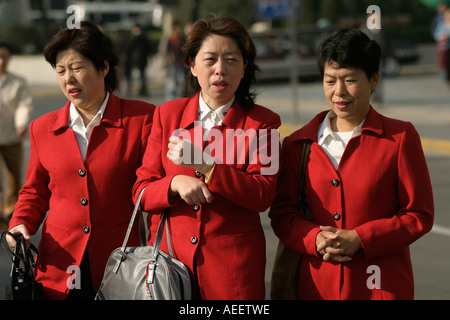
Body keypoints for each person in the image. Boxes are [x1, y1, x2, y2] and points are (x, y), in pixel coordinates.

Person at [269, 29, 434, 300]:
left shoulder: (400, 138)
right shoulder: (298, 144)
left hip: (380, 287)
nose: (339, 92)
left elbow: (419, 214)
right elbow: (283, 214)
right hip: (315, 287)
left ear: (374, 80)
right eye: (330, 80)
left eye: (350, 80)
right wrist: (314, 239)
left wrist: (362, 238)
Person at [133, 15, 281, 299]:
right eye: (210, 59)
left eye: (231, 60)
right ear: (192, 65)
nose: (220, 70)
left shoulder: (265, 123)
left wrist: (207, 166)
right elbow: (141, 192)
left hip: (232, 273)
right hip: (169, 267)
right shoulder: (166, 115)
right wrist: (174, 183)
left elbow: (263, 194)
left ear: (244, 67)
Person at [6, 21, 156, 300]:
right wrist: (20, 223)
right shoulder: (43, 127)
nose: (68, 79)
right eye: (61, 71)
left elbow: (154, 187)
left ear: (103, 67)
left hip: (122, 264)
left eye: (77, 68)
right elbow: (34, 191)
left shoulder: (142, 119)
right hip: (60, 265)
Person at [0, 42, 33, 231]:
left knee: (14, 179)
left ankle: (11, 214)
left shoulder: (18, 82)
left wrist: (21, 122)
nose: (1, 61)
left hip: (12, 137)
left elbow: (24, 104)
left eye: (4, 56)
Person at [161, 20, 187, 100]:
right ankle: (170, 98)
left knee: (181, 80)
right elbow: (163, 51)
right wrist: (167, 59)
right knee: (171, 81)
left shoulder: (181, 38)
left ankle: (180, 96)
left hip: (179, 63)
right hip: (171, 63)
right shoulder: (169, 39)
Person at [125, 25, 152, 97]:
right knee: (142, 75)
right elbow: (149, 49)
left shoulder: (134, 38)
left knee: (137, 75)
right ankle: (143, 90)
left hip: (135, 59)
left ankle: (135, 90)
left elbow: (129, 49)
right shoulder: (144, 37)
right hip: (142, 59)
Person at [434, 7, 450, 85]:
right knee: (445, 63)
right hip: (445, 48)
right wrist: (442, 37)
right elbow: (436, 34)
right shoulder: (442, 25)